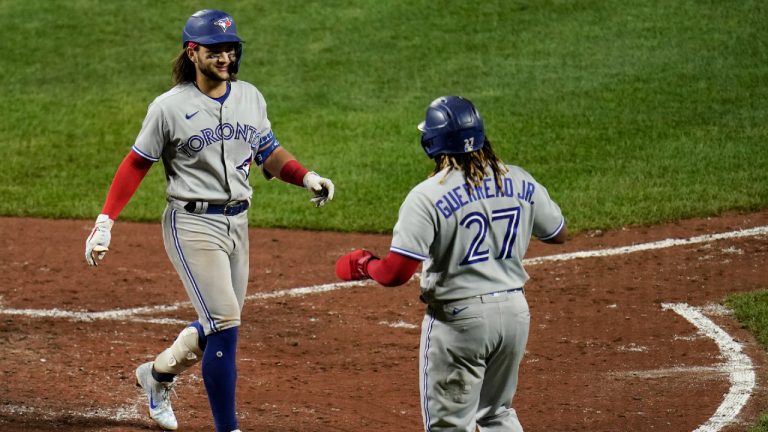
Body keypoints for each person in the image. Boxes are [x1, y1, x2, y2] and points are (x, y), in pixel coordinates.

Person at [84, 9, 334, 432]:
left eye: (230, 49)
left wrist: (305, 175)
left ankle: (158, 375)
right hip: (192, 224)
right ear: (192, 52)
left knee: (218, 323)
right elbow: (136, 163)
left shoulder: (250, 97)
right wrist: (105, 221)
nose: (225, 57)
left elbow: (267, 150)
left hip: (239, 224)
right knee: (226, 325)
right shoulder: (169, 108)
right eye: (215, 50)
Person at [335, 95, 566, 431]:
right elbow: (557, 232)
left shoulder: (428, 195)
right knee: (497, 414)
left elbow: (396, 272)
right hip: (515, 313)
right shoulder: (519, 180)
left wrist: (363, 264)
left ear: (431, 142)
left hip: (460, 321)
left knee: (448, 425)